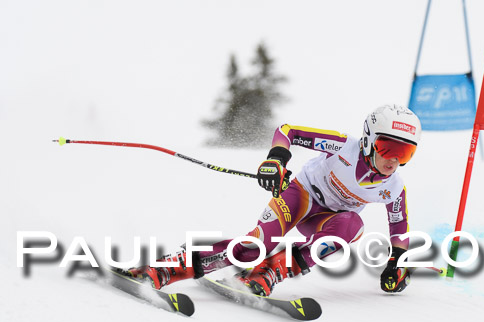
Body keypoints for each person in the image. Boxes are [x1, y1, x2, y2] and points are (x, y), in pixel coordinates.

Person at [129, 104, 422, 296]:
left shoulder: (394, 188)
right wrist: (276, 160)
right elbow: (288, 131)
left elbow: (399, 230)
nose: (394, 160)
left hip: (326, 220)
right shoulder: (343, 146)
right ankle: (165, 268)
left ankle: (269, 272)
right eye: (387, 148)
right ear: (369, 139)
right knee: (252, 248)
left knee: (353, 226)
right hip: (300, 196)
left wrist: (398, 263)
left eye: (406, 153)